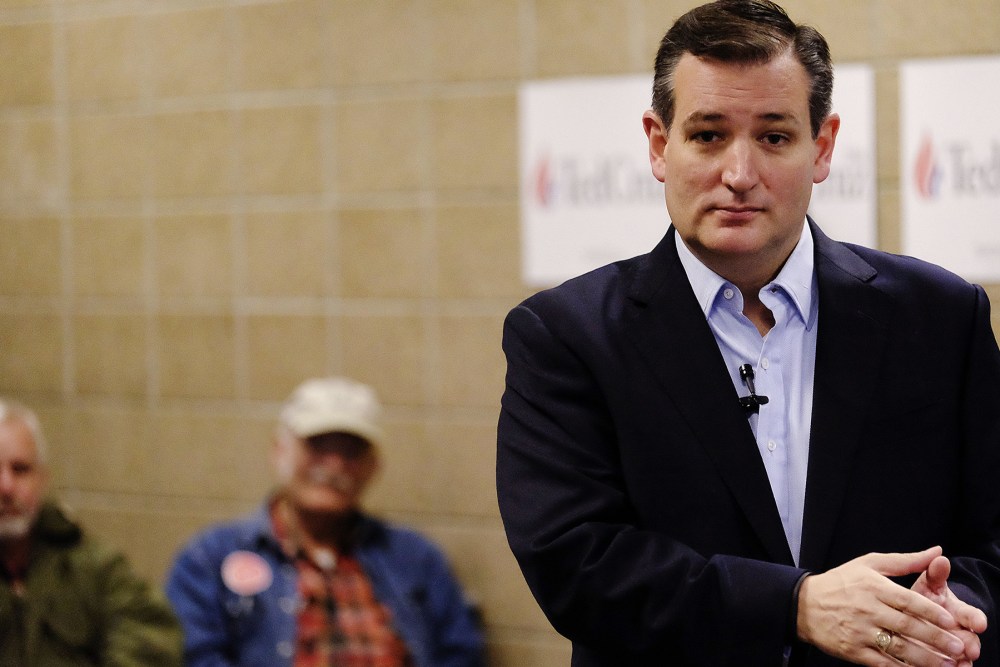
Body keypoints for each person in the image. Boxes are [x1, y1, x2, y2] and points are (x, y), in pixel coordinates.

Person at [496, 1, 1000, 666]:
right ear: (657, 144)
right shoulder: (566, 335)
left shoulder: (940, 315)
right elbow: (578, 563)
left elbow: (992, 542)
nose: (739, 174)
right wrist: (796, 606)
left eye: (773, 137)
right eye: (707, 135)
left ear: (821, 148)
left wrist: (948, 613)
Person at [166, 376, 485, 667]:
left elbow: (461, 655)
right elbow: (194, 657)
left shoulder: (416, 559)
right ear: (279, 452)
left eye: (351, 452)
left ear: (373, 467)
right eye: (317, 447)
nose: (334, 466)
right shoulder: (209, 559)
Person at [0, 398, 183, 666]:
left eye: (20, 470)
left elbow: (149, 643)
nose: (6, 487)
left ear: (42, 478)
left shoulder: (95, 567)